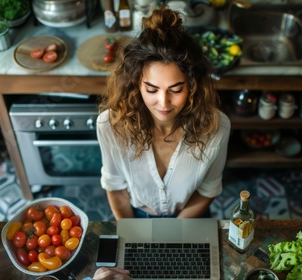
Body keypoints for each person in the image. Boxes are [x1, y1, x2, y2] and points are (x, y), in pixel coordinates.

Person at [97, 5, 231, 219]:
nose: (163, 103)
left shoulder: (217, 127)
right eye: (151, 89)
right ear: (135, 84)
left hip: (189, 216)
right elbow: (115, 185)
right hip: (136, 215)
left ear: (193, 85)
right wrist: (131, 233)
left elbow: (208, 189)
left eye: (176, 89)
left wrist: (175, 233)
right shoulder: (110, 125)